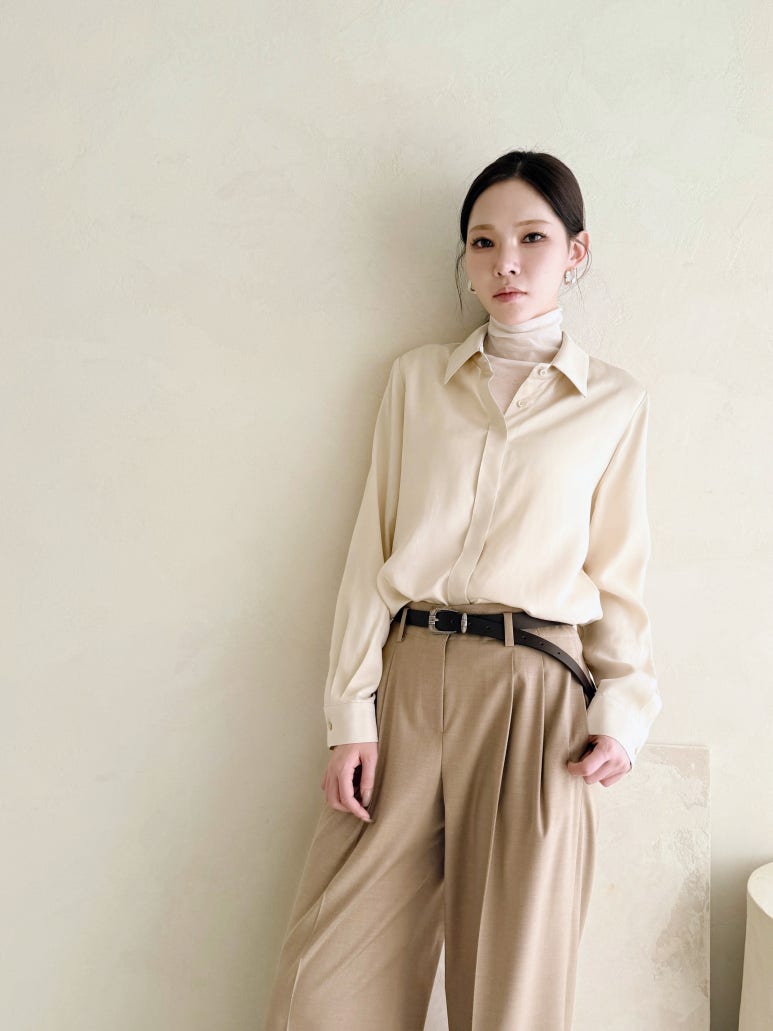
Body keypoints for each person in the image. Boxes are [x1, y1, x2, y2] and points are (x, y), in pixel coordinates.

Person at [264, 149, 662, 1030]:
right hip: (409, 681)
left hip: (538, 694)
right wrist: (350, 714)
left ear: (575, 251)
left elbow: (618, 575)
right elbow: (371, 550)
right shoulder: (415, 380)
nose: (505, 262)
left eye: (531, 238)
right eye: (483, 243)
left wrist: (623, 713)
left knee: (511, 994)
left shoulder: (613, 402)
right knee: (323, 989)